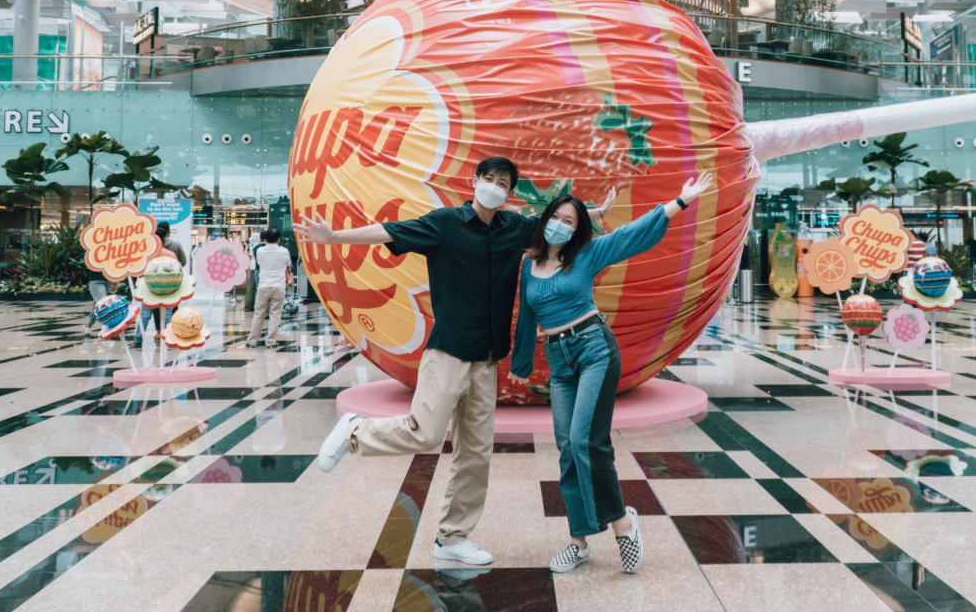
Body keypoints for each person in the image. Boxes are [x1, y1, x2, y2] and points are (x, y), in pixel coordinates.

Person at [297, 156, 615, 567]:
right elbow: (391, 231)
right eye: (489, 178)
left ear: (509, 192)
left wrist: (597, 213)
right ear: (475, 180)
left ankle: (452, 537)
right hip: (448, 350)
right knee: (424, 433)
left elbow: (557, 224)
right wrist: (335, 237)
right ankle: (355, 432)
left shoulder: (514, 227)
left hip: (486, 359)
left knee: (476, 453)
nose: (495, 186)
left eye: (503, 182)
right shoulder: (445, 223)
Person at [509, 173, 713, 575]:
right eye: (558, 218)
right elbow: (527, 316)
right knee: (568, 447)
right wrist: (520, 363)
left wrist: (679, 202)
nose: (562, 226)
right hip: (560, 360)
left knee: (587, 441)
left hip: (594, 349)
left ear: (578, 229)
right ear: (545, 218)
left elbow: (629, 237)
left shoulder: (585, 254)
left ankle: (622, 522)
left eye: (571, 222)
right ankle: (579, 540)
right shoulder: (529, 266)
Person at [133, 223, 187, 347]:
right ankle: (169, 339)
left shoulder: (147, 253)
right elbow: (178, 268)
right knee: (168, 313)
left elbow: (140, 269)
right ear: (165, 237)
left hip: (150, 287)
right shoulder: (170, 254)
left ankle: (138, 340)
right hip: (168, 287)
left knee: (145, 314)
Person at [245, 227, 292, 347]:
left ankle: (252, 341)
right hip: (278, 287)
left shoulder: (259, 251)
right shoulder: (284, 251)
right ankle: (270, 341)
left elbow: (260, 263)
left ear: (265, 238)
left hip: (263, 286)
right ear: (278, 239)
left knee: (259, 313)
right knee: (275, 314)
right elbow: (288, 265)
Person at [82, 269, 111, 335]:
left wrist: (115, 279)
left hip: (107, 279)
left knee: (97, 304)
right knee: (102, 304)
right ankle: (108, 326)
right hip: (96, 280)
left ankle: (88, 325)